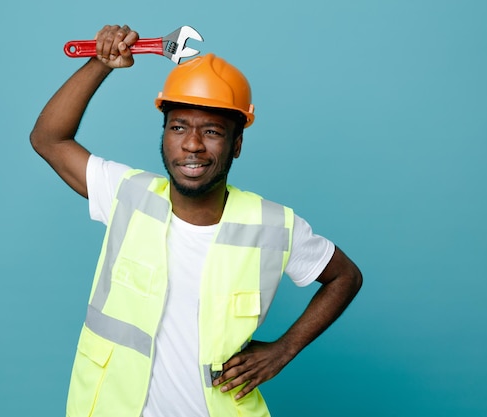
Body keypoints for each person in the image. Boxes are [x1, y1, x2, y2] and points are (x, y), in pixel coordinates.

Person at [30, 24, 362, 417]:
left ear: (236, 145)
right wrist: (100, 64)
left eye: (212, 131)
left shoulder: (274, 226)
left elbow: (346, 277)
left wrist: (283, 350)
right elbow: (49, 139)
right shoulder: (128, 195)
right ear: (164, 134)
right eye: (178, 127)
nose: (192, 144)